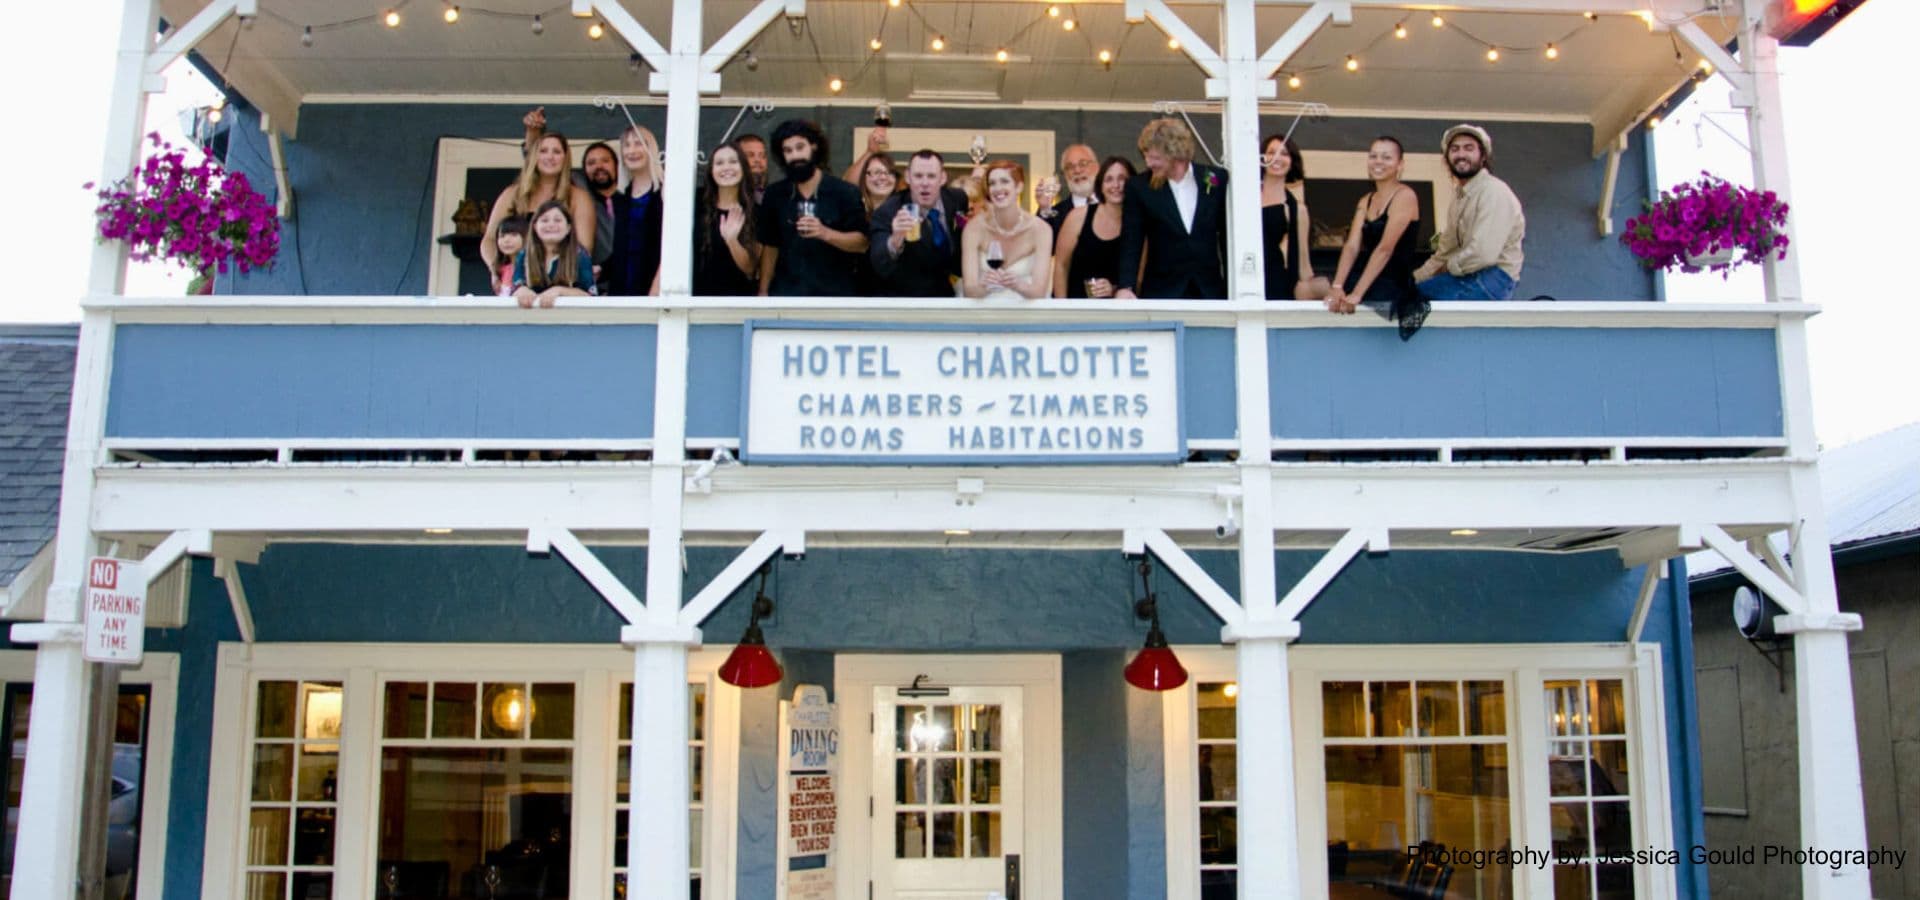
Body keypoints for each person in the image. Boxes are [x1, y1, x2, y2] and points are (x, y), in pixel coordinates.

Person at [1115, 118, 1230, 300]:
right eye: (1146, 156)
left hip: (1209, 289)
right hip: (1162, 291)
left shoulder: (1215, 178)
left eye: (1154, 158)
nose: (1148, 163)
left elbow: (1227, 235)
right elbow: (1132, 240)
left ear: (1175, 154)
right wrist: (1126, 286)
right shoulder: (1139, 187)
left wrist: (1234, 286)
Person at [1326, 136, 1425, 340]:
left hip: (1392, 280)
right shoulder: (1366, 200)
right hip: (1366, 274)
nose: (1378, 161)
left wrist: (1357, 294)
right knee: (1316, 289)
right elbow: (1352, 246)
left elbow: (1385, 249)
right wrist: (1337, 286)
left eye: (1386, 157)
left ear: (1400, 165)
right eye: (1373, 156)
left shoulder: (1405, 196)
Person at [756, 119, 869, 297]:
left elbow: (862, 243)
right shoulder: (774, 194)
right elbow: (770, 247)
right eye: (788, 150)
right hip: (786, 296)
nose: (795, 156)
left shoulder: (844, 192)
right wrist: (763, 291)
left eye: (800, 147)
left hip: (834, 297)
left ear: (814, 147)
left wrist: (825, 233)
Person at [1414, 124, 1525, 301]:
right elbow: (1444, 252)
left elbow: (1483, 253)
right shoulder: (1459, 199)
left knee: (1411, 302)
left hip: (1494, 278)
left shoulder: (1493, 191)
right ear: (1447, 158)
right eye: (1455, 149)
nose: (1461, 155)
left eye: (1469, 148)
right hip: (1467, 274)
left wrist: (1448, 267)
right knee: (1408, 294)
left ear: (1483, 157)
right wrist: (1413, 279)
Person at [482, 131, 598, 279]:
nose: (550, 157)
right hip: (516, 282)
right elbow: (489, 239)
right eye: (543, 151)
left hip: (559, 283)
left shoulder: (578, 197)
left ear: (565, 158)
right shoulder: (512, 194)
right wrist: (496, 270)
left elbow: (583, 248)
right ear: (534, 157)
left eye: (556, 152)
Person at [520, 107, 617, 271]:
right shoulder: (578, 186)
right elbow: (541, 162)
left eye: (605, 161)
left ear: (616, 165)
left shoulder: (628, 199)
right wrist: (533, 132)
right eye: (591, 163)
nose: (598, 166)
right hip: (579, 277)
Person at [869, 149, 969, 298]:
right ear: (908, 177)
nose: (924, 183)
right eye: (918, 176)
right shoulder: (888, 212)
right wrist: (895, 240)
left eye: (931, 176)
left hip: (948, 296)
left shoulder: (958, 199)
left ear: (943, 178)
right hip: (907, 300)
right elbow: (879, 263)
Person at [962, 160, 1052, 301]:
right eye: (992, 183)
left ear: (1019, 187)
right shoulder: (974, 228)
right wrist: (984, 286)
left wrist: (1017, 285)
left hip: (1027, 316)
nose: (997, 188)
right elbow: (969, 290)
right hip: (983, 315)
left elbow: (1039, 292)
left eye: (1004, 181)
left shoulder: (1041, 230)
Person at [1051, 156, 1135, 298]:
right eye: (1108, 179)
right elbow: (1061, 266)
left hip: (1118, 311)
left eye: (1122, 179)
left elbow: (1139, 276)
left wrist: (1114, 290)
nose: (1116, 185)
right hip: (1076, 308)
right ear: (1100, 186)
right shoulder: (1078, 217)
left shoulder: (1138, 223)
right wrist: (1062, 309)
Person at [1260, 134, 1330, 301]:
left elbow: (1303, 262)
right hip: (1239, 277)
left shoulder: (1297, 209)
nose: (1277, 158)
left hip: (1275, 282)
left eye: (1284, 153)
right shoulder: (1243, 195)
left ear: (1292, 162)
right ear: (1261, 157)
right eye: (1271, 152)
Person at [694, 141, 762, 297]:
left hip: (737, 304)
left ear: (743, 169)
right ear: (711, 171)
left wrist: (732, 240)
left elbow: (750, 268)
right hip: (695, 303)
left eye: (733, 162)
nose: (726, 168)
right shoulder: (696, 203)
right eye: (719, 163)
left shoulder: (756, 212)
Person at [603, 125, 664, 297]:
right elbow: (624, 247)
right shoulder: (620, 198)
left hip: (655, 291)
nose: (632, 150)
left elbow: (672, 245)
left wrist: (659, 286)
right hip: (622, 293)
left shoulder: (664, 192)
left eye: (638, 143)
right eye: (626, 145)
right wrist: (601, 268)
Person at [512, 200, 596, 308]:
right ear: (534, 227)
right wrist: (522, 291)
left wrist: (559, 291)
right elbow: (515, 287)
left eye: (557, 220)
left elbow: (589, 295)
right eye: (544, 220)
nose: (551, 225)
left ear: (568, 228)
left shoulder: (580, 256)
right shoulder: (524, 255)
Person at [1045, 143, 1099, 236]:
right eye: (1070, 167)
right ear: (1065, 174)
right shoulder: (1055, 215)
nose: (1077, 170)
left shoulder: (1114, 206)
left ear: (1097, 167)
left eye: (1083, 164)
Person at [854, 152, 901, 221]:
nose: (883, 177)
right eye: (876, 172)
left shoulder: (904, 214)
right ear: (864, 178)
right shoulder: (854, 215)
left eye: (889, 172)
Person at [492, 216, 526, 297]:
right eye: (502, 236)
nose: (506, 240)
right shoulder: (501, 269)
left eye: (513, 235)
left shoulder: (531, 268)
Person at [737, 133, 770, 203]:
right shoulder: (723, 200)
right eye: (750, 155)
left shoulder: (776, 198)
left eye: (762, 156)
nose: (758, 160)